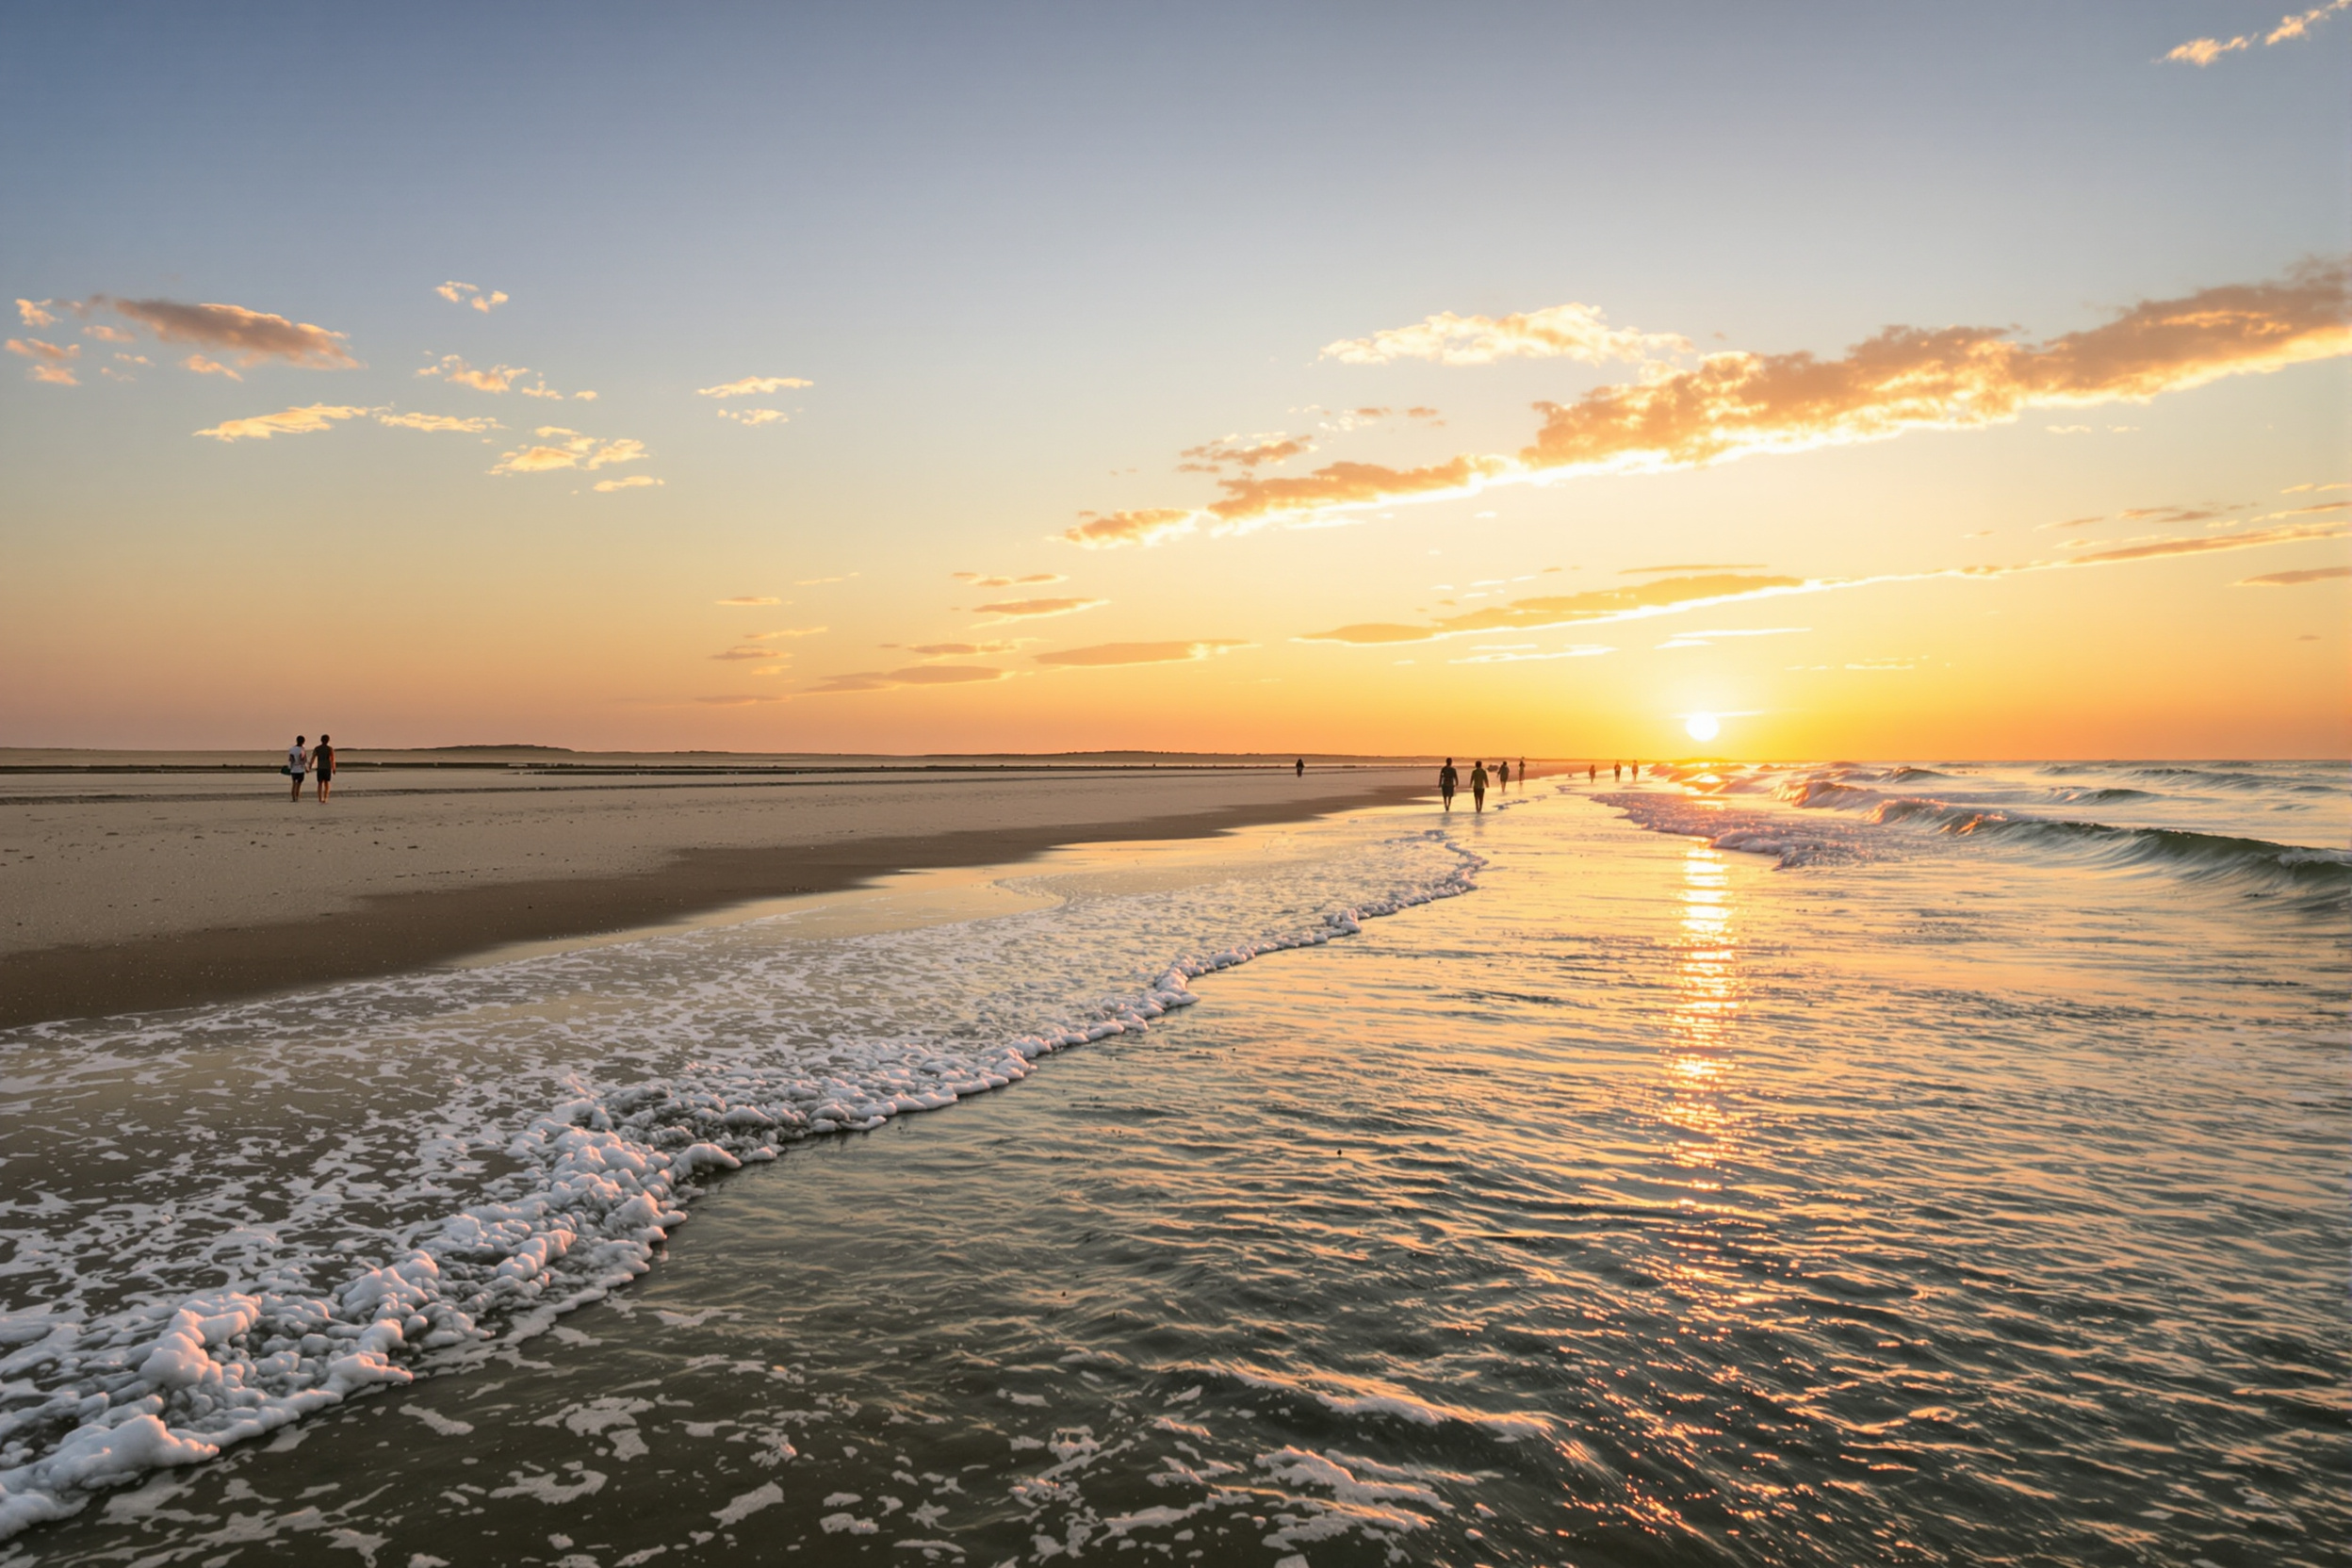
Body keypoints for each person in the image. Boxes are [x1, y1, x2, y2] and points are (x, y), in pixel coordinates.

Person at [314, 733, 336, 801]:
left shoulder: (317, 748)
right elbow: (332, 759)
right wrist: (334, 768)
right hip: (327, 767)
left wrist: (310, 766)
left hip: (320, 767)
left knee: (320, 783)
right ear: (328, 740)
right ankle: (325, 797)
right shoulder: (329, 749)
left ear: (321, 740)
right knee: (326, 783)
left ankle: (320, 798)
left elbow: (313, 758)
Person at [286, 734, 308, 802]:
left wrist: (290, 767)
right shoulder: (302, 750)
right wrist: (306, 768)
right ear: (303, 742)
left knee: (294, 784)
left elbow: (291, 760)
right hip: (300, 769)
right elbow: (304, 761)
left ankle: (293, 798)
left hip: (293, 769)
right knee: (299, 785)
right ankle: (297, 797)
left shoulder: (292, 749)